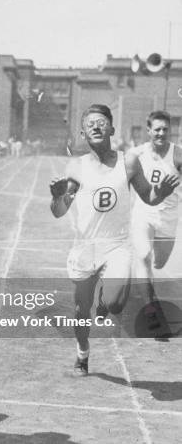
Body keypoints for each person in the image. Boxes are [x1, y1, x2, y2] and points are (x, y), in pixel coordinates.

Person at [49, 104, 179, 375]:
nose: (96, 126)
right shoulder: (77, 165)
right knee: (79, 310)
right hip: (85, 246)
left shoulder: (128, 161)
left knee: (116, 303)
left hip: (117, 244)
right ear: (83, 133)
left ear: (111, 128)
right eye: (90, 124)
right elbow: (59, 211)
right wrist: (56, 197)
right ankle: (82, 355)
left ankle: (105, 301)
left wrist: (162, 192)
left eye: (101, 122)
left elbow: (149, 197)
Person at [130, 111, 182, 327]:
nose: (161, 133)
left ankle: (146, 279)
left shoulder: (178, 155)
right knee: (143, 255)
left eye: (165, 129)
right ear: (149, 130)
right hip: (143, 214)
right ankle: (150, 308)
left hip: (168, 217)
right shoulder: (136, 154)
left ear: (170, 131)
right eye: (157, 129)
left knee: (158, 262)